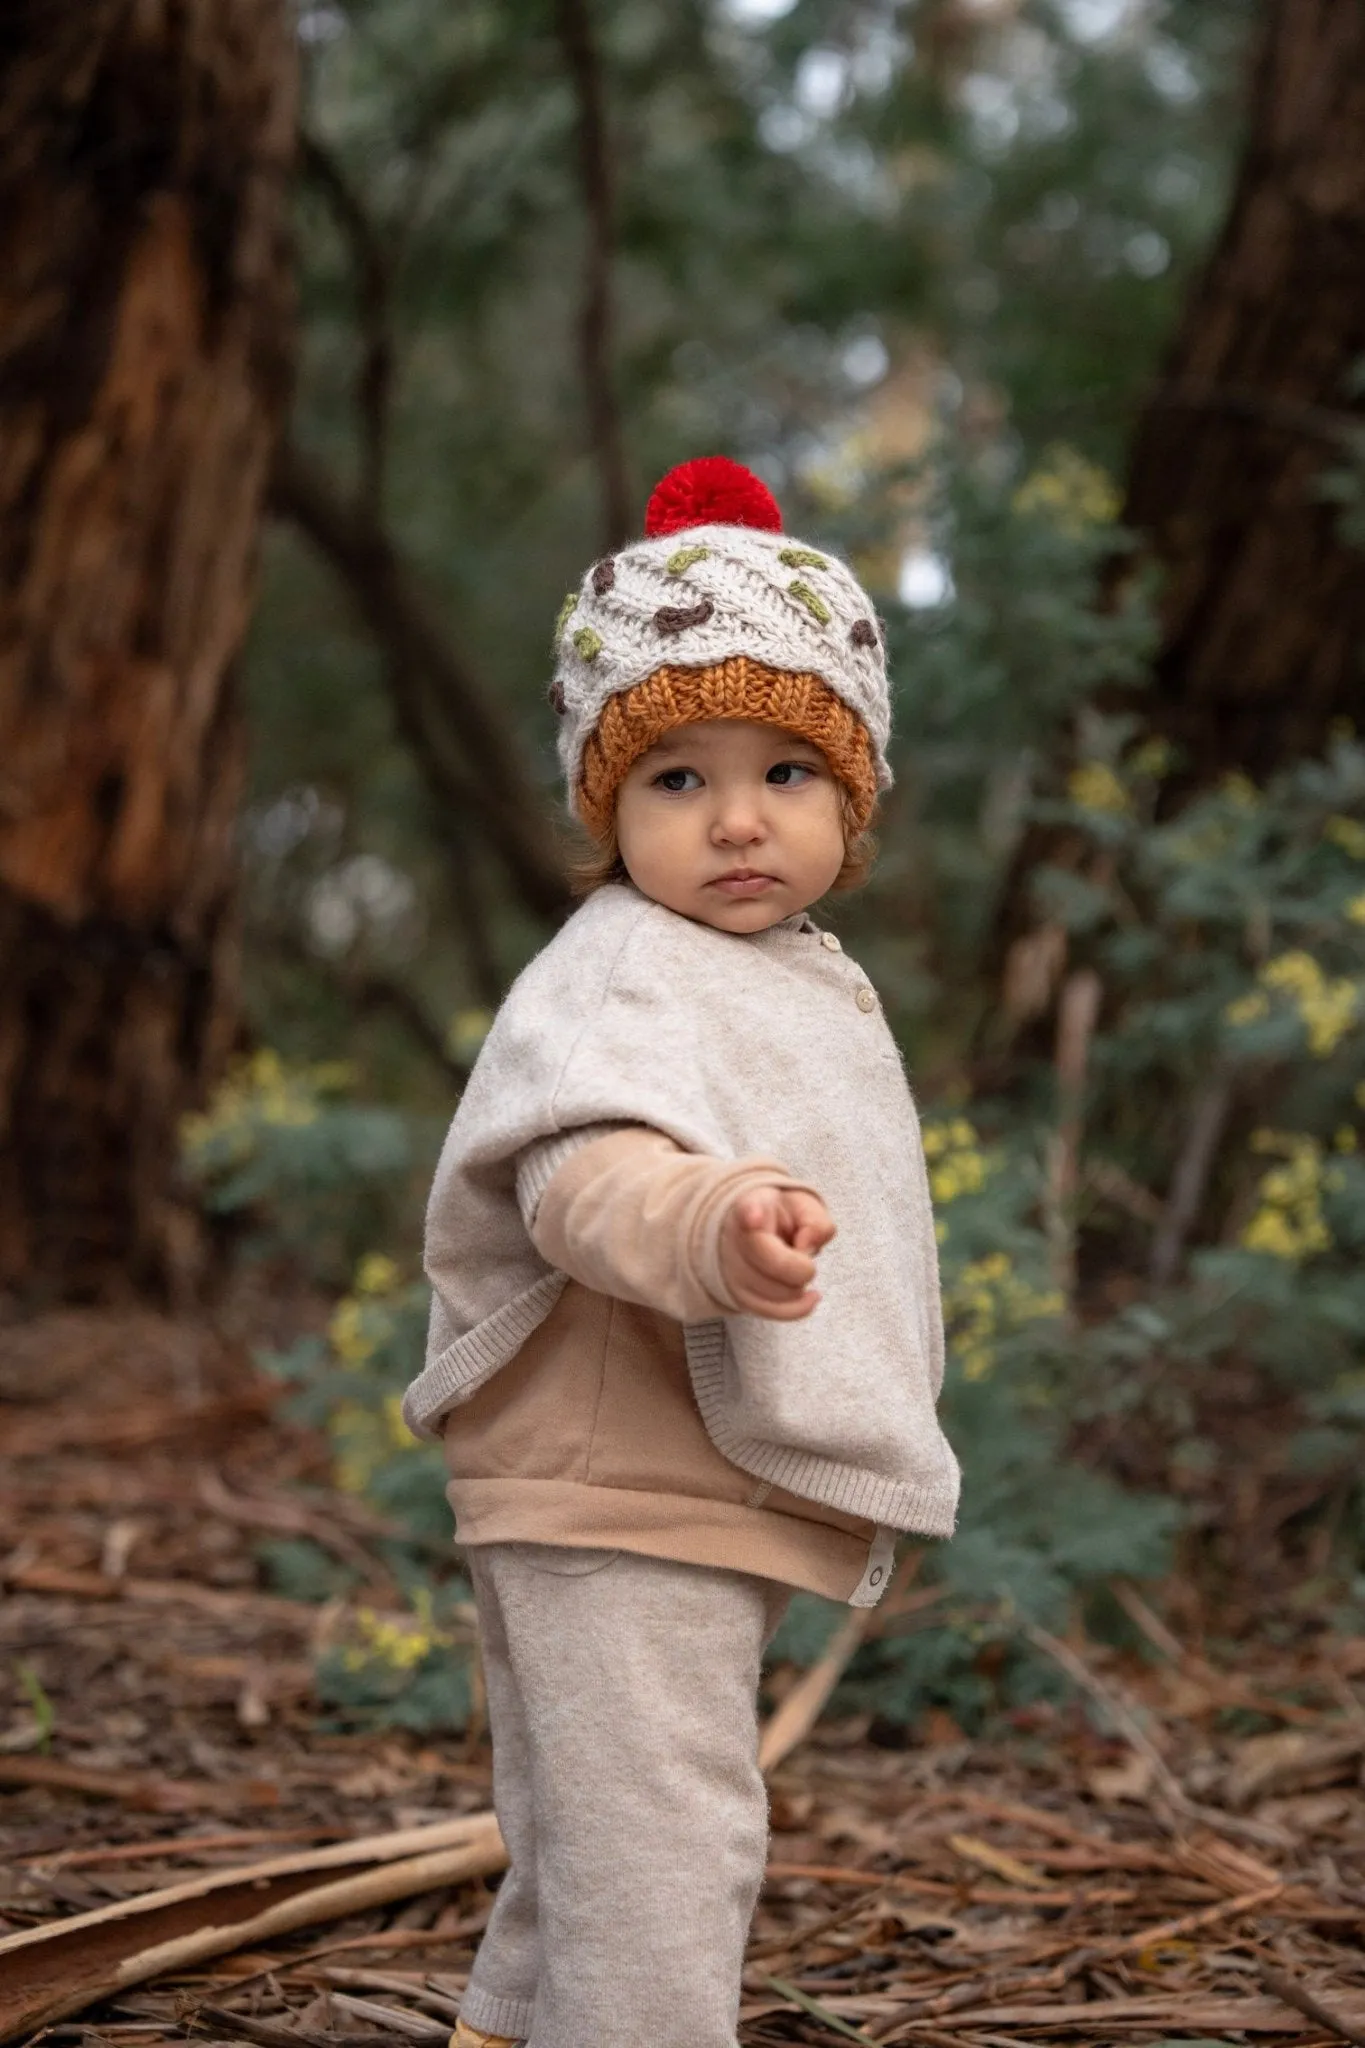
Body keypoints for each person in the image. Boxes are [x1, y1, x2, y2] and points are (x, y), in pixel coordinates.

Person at [402, 456, 960, 2048]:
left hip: (660, 1481)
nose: (735, 819)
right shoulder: (619, 975)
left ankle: (511, 2029)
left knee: (593, 1836)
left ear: (854, 801)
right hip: (610, 1486)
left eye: (789, 770)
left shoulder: (790, 975)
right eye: (676, 781)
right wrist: (713, 1224)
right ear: (606, 806)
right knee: (670, 1845)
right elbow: (583, 1180)